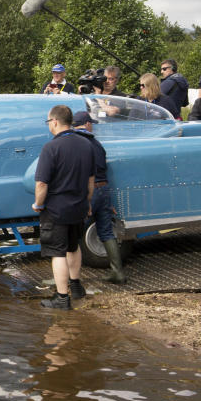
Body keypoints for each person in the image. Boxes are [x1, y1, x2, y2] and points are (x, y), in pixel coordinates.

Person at [33, 105, 95, 309]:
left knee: (57, 252)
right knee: (73, 247)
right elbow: (91, 180)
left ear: (55, 121)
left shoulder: (51, 148)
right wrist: (87, 202)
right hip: (78, 207)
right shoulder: (86, 144)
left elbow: (42, 184)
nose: (49, 126)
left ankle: (61, 298)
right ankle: (76, 287)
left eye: (48, 122)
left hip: (56, 210)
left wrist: (38, 204)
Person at [71, 110, 126, 283]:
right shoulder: (96, 143)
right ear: (87, 124)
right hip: (103, 190)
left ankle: (68, 277)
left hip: (89, 191)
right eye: (91, 123)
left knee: (71, 233)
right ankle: (118, 273)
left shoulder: (75, 143)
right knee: (106, 231)